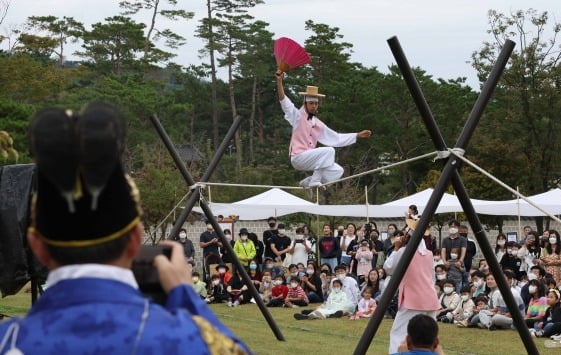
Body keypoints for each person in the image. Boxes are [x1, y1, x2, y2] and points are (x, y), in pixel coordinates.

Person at [0, 102, 250, 354]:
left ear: (36, 246)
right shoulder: (186, 341)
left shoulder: (7, 341)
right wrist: (184, 294)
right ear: (135, 239)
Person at [275, 69, 372, 188]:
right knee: (329, 151)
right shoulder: (297, 116)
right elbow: (284, 102)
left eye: (316, 104)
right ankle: (315, 181)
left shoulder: (318, 124)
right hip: (298, 157)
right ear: (305, 103)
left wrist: (356, 135)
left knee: (338, 171)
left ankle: (307, 182)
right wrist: (279, 81)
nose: (314, 106)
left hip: (309, 158)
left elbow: (336, 138)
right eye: (311, 103)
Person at [384, 222, 439, 354]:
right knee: (429, 335)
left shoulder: (404, 252)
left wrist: (396, 248)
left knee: (399, 333)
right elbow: (432, 277)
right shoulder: (429, 254)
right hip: (430, 298)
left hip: (412, 299)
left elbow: (388, 267)